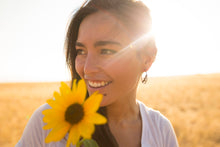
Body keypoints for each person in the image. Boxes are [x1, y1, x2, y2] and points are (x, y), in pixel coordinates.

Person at [16, 0, 179, 146]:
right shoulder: (47, 122)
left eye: (106, 51)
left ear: (147, 59)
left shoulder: (161, 130)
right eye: (81, 51)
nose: (87, 68)